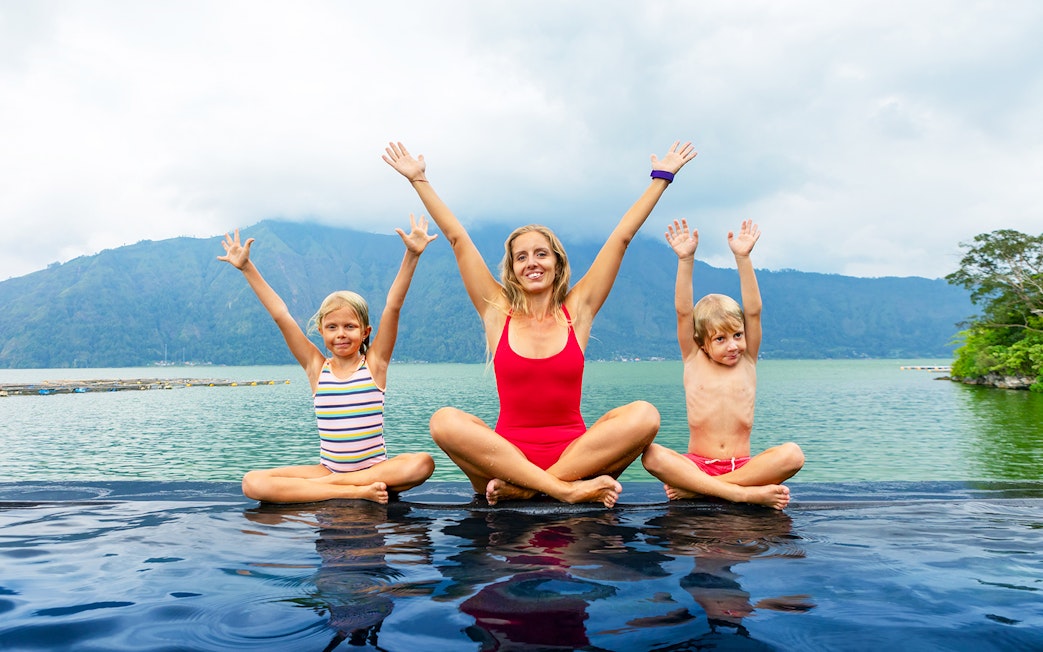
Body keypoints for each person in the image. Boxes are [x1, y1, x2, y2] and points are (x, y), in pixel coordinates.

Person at [383, 140, 697, 507]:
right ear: (513, 269)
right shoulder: (497, 310)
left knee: (645, 415)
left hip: (577, 458)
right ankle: (561, 490)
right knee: (444, 421)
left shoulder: (577, 309)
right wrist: (419, 179)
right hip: (505, 459)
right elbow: (458, 239)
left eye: (541, 254)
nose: (532, 262)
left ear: (557, 263)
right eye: (521, 257)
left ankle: (533, 487)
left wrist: (662, 177)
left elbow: (621, 238)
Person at [218, 215, 437, 504]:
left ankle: (338, 486)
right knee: (252, 483)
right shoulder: (316, 367)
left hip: (372, 470)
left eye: (350, 326)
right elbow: (281, 315)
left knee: (423, 463)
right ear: (321, 331)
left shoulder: (374, 364)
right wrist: (247, 267)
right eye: (332, 327)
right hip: (330, 471)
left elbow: (392, 307)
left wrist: (411, 255)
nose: (341, 334)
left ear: (365, 331)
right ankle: (351, 491)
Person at [641, 219, 804, 509]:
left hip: (742, 466)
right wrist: (686, 260)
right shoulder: (693, 358)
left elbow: (753, 311)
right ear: (702, 342)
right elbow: (682, 312)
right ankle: (742, 493)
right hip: (698, 465)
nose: (733, 345)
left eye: (738, 335)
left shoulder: (748, 359)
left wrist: (743, 258)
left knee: (793, 455)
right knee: (652, 455)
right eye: (720, 339)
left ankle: (704, 490)